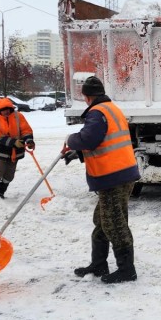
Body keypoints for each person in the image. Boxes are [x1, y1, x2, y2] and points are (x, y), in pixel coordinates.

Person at [63, 76, 141, 284]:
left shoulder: (97, 113)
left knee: (114, 223)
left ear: (86, 96)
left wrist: (70, 141)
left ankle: (127, 270)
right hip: (123, 173)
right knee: (102, 220)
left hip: (113, 177)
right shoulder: (111, 109)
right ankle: (99, 264)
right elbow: (105, 142)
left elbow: (88, 138)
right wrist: (77, 154)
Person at [0, 97, 35, 198]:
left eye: (7, 109)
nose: (5, 111)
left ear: (10, 108)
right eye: (3, 110)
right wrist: (13, 142)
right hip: (1, 148)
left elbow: (26, 130)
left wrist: (29, 140)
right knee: (0, 168)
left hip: (16, 150)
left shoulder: (18, 116)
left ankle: (2, 191)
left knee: (10, 173)